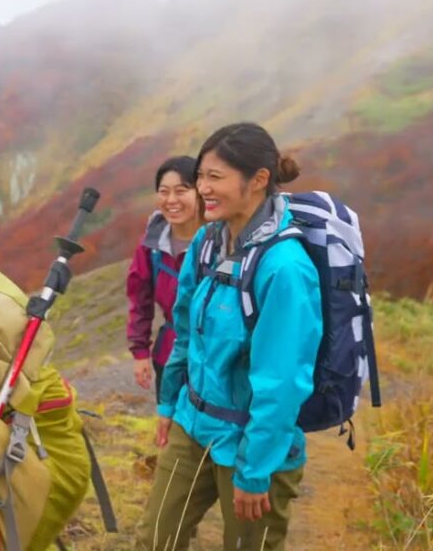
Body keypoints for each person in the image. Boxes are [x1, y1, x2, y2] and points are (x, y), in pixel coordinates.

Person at [135, 122, 323, 551]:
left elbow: (281, 382)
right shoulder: (207, 241)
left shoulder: (285, 268)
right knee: (154, 540)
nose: (202, 188)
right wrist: (169, 403)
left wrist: (255, 472)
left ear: (258, 179)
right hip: (192, 424)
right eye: (200, 176)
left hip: (252, 445)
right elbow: (184, 331)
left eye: (214, 177)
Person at [125, 156, 203, 402]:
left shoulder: (221, 239)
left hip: (217, 357)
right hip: (169, 356)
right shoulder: (152, 246)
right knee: (170, 421)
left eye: (181, 191)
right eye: (164, 191)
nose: (171, 200)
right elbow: (140, 299)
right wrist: (140, 352)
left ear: (201, 191)